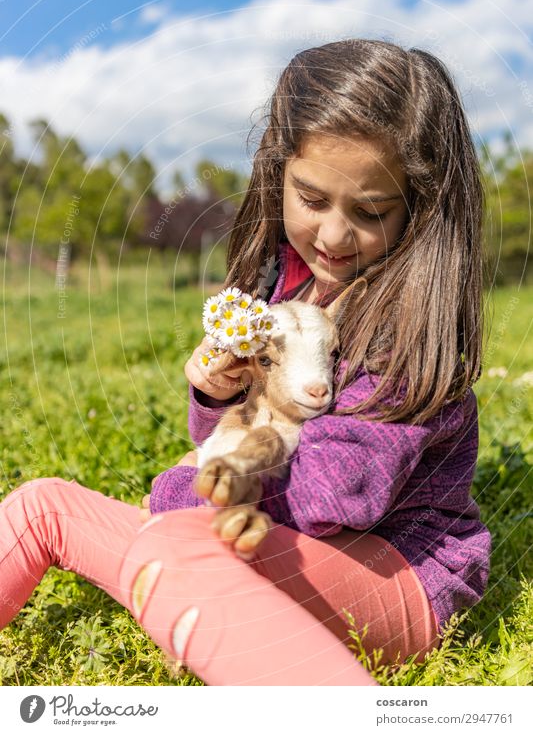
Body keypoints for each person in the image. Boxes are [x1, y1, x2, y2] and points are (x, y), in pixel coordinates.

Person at [0, 39, 491, 686]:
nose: (335, 236)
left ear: (414, 206)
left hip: (390, 575)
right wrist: (215, 397)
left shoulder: (400, 325)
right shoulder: (283, 290)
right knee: (43, 504)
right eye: (312, 200)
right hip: (286, 539)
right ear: (276, 170)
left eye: (369, 212)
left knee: (175, 540)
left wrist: (190, 493)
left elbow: (329, 498)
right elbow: (227, 439)